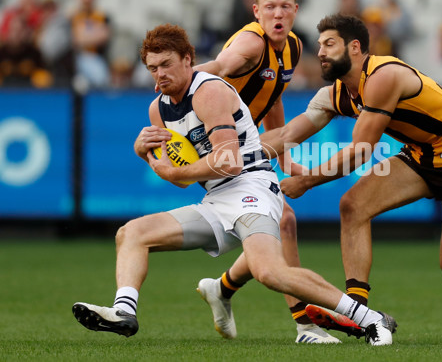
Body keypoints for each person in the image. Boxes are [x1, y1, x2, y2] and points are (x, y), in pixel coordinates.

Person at [71, 23, 396, 346]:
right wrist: (146, 155)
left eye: (166, 64)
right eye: (153, 68)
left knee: (269, 272)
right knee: (131, 234)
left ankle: (369, 319)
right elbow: (182, 176)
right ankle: (124, 313)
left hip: (252, 188)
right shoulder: (158, 108)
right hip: (217, 199)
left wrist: (171, 173)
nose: (160, 75)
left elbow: (229, 161)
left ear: (188, 59)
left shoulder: (209, 91)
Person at [259, 14, 442, 344]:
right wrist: (232, 156)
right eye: (319, 46)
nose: (320, 52)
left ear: (355, 47)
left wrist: (306, 181)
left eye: (329, 44)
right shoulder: (336, 93)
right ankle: (358, 309)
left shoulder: (383, 76)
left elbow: (361, 151)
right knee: (353, 205)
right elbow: (288, 133)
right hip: (421, 155)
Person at [185, 0, 338, 344]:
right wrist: (170, 83)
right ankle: (306, 326)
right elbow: (218, 68)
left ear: (296, 9)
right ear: (256, 11)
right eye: (269, 7)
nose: (278, 13)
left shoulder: (294, 47)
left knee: (277, 225)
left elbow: (274, 96)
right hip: (215, 144)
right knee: (283, 220)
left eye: (285, 6)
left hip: (247, 143)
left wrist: (284, 156)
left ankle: (222, 288)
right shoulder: (251, 45)